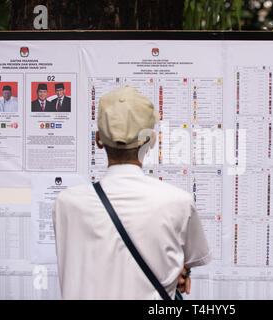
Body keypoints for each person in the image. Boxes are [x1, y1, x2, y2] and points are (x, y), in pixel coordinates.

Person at [52, 86, 211, 299]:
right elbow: (191, 258)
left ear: (98, 139)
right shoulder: (178, 202)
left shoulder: (66, 203)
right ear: (151, 140)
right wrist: (179, 271)